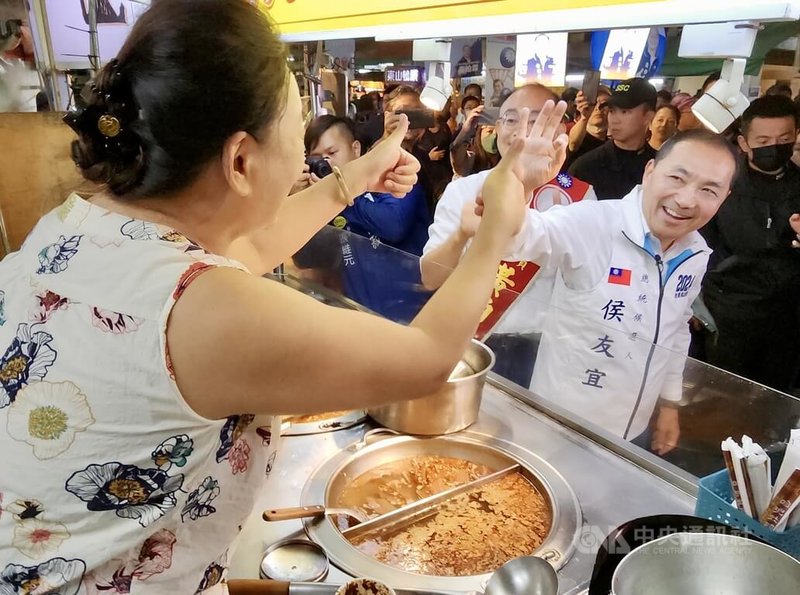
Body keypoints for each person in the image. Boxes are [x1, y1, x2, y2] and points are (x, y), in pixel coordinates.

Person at [0, 1, 535, 592]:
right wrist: (495, 233)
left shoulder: (75, 226)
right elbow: (429, 359)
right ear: (240, 160)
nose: (303, 158)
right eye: (295, 127)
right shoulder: (202, 308)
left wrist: (354, 178)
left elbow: (243, 251)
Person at [485, 130, 738, 451]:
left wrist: (670, 404)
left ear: (725, 197)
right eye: (676, 177)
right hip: (559, 427)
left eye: (708, 190)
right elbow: (518, 237)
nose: (687, 200)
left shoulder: (696, 251)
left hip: (634, 428)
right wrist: (519, 187)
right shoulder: (595, 222)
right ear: (649, 171)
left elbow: (676, 330)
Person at [422, 84, 597, 387]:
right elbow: (430, 278)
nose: (521, 131)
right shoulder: (463, 189)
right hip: (471, 339)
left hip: (547, 347)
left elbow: (587, 286)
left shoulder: (579, 197)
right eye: (511, 119)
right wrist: (462, 235)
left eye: (535, 121)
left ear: (560, 129)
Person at [699, 95, 800, 393]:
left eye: (784, 138)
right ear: (744, 143)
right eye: (764, 139)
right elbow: (698, 244)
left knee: (777, 400)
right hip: (729, 313)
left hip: (789, 319)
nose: (774, 146)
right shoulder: (721, 183)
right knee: (723, 397)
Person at [303, 115, 430, 256]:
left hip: (405, 276)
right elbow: (307, 258)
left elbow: (393, 226)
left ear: (356, 149)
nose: (325, 163)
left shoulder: (393, 174)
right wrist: (300, 196)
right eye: (317, 158)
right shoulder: (322, 194)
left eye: (332, 153)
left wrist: (341, 192)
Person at [569, 78, 657, 200]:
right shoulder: (586, 167)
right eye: (612, 111)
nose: (614, 119)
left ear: (648, 116)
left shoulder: (661, 167)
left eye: (625, 112)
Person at [564, 86, 611, 171]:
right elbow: (573, 144)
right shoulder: (574, 134)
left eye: (604, 104)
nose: (598, 108)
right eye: (592, 103)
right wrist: (584, 117)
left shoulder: (613, 143)